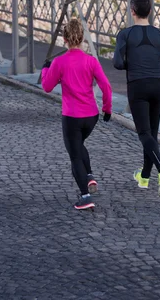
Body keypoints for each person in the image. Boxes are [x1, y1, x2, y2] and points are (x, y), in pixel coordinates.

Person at [113, 0, 160, 196]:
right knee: (151, 134)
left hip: (137, 86)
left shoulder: (125, 34)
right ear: (151, 11)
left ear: (132, 11)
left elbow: (118, 64)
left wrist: (133, 65)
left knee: (144, 133)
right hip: (157, 85)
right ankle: (144, 177)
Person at [41, 19, 113, 210]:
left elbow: (47, 86)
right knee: (79, 144)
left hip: (72, 116)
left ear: (64, 39)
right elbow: (106, 85)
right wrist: (107, 108)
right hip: (91, 115)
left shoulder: (59, 62)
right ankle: (89, 176)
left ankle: (85, 196)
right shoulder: (91, 61)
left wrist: (45, 69)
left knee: (74, 155)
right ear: (82, 38)